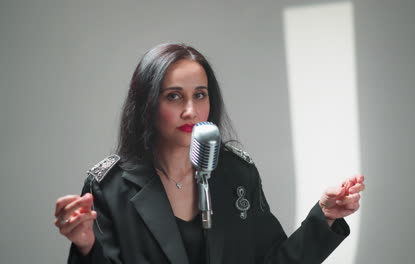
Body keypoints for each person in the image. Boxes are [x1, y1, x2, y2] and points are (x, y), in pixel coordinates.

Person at [54, 43, 365, 264]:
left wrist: (324, 217)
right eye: (174, 96)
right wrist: (86, 246)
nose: (191, 111)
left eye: (200, 95)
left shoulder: (237, 174)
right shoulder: (109, 187)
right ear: (147, 104)